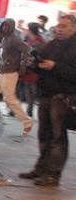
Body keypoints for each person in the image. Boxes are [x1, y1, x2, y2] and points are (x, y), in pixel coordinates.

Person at [18, 14, 76, 187]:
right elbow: (41, 61)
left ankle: (53, 174)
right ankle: (41, 169)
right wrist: (35, 63)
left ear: (74, 28)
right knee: (44, 135)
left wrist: (55, 67)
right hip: (45, 95)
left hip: (62, 97)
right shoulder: (52, 44)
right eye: (59, 25)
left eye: (64, 26)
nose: (60, 29)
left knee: (58, 137)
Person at [19, 21, 46, 118]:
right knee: (28, 88)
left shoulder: (38, 41)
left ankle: (30, 109)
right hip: (29, 67)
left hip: (33, 68)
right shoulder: (34, 40)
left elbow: (37, 55)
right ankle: (29, 109)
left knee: (31, 88)